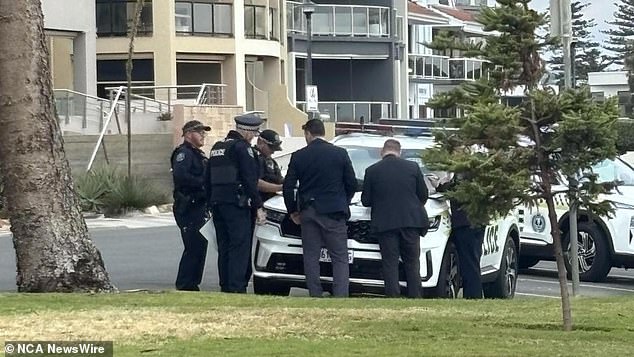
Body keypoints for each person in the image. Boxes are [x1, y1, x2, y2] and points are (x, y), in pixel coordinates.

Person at [282, 119, 357, 297]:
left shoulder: (299, 155)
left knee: (311, 255)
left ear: (308, 133)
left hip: (308, 210)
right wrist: (343, 201)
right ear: (323, 132)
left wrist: (292, 210)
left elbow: (288, 186)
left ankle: (315, 293)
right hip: (333, 211)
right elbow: (351, 183)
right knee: (339, 256)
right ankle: (340, 295)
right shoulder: (340, 153)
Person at [361, 139, 429, 298]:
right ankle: (415, 296)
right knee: (412, 262)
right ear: (400, 152)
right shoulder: (412, 167)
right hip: (411, 221)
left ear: (382, 151)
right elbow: (423, 195)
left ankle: (393, 296)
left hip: (386, 223)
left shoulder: (372, 170)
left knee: (389, 262)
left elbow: (366, 201)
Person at [206, 113, 266, 293]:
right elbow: (249, 179)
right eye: (254, 133)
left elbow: (207, 179)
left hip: (218, 204)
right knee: (239, 246)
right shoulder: (242, 148)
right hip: (236, 204)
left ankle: (225, 285)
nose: (254, 137)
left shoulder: (217, 147)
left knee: (224, 246)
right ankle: (236, 287)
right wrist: (258, 206)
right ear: (246, 132)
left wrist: (210, 203)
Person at [171, 119, 211, 291]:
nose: (203, 135)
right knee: (193, 245)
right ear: (188, 134)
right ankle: (185, 283)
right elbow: (182, 177)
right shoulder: (184, 154)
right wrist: (204, 183)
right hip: (189, 205)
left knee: (200, 245)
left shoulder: (198, 154)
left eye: (203, 132)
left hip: (200, 205)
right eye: (198, 132)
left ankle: (193, 282)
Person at [437, 173, 485, 299]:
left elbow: (455, 192)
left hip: (466, 223)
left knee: (469, 263)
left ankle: (473, 296)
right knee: (472, 261)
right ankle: (474, 295)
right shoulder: (475, 172)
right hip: (477, 222)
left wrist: (440, 185)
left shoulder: (463, 174)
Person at [255, 129, 284, 202]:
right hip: (258, 202)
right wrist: (281, 187)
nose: (273, 151)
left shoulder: (271, 161)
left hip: (271, 201)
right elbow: (256, 183)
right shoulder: (253, 158)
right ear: (260, 142)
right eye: (271, 148)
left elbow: (278, 179)